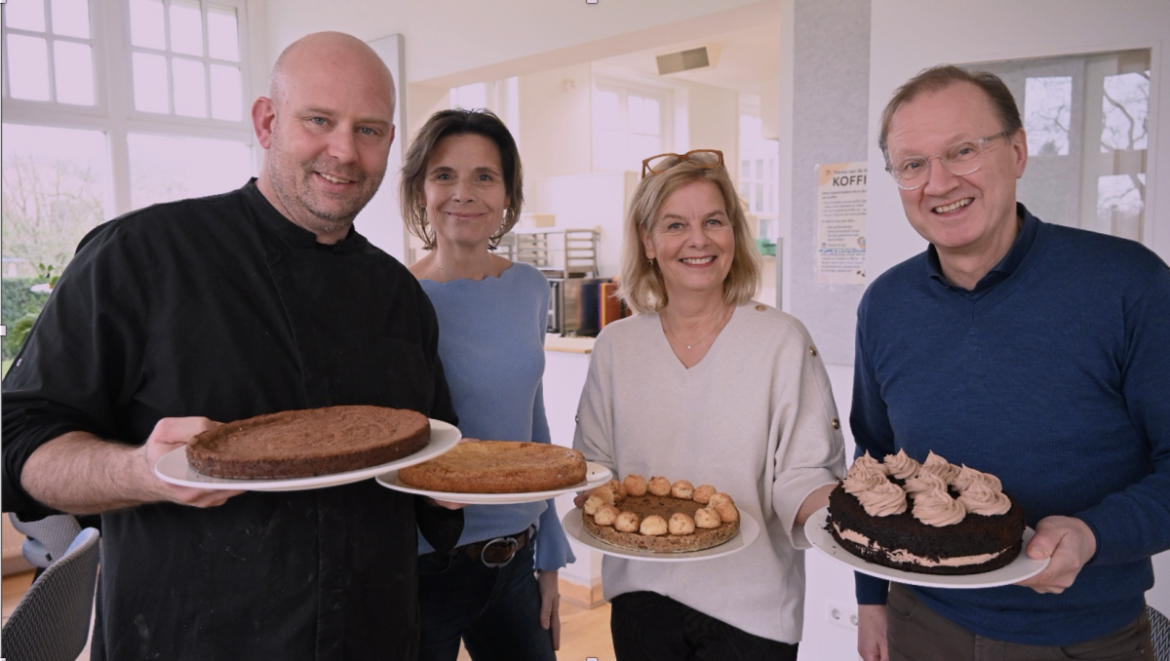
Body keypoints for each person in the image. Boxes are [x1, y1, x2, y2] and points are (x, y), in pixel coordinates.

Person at [1, 32, 463, 660]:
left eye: (369, 130)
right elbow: (17, 439)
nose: (345, 151)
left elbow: (430, 449)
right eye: (319, 120)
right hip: (188, 640)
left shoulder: (398, 294)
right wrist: (142, 472)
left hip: (376, 635)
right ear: (267, 122)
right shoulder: (140, 255)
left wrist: (462, 481)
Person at [852, 65, 1170, 661]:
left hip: (1082, 636)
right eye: (913, 164)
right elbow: (875, 458)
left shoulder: (1129, 284)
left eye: (963, 151)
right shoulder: (884, 305)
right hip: (920, 621)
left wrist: (1093, 534)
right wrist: (871, 599)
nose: (939, 182)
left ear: (1018, 151)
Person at [572, 149, 846, 660]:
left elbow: (805, 472)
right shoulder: (617, 346)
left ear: (733, 234)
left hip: (752, 607)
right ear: (648, 241)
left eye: (714, 221)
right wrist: (578, 486)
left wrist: (863, 515)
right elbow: (594, 465)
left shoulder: (781, 340)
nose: (698, 240)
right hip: (640, 593)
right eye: (675, 224)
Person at [398, 108, 574, 660]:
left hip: (515, 561)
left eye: (484, 176)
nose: (463, 193)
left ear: (507, 194)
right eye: (444, 175)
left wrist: (549, 551)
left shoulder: (529, 288)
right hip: (424, 568)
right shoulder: (394, 297)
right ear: (421, 190)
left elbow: (533, 421)